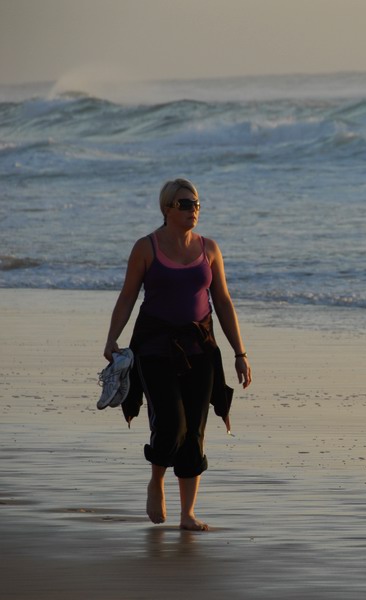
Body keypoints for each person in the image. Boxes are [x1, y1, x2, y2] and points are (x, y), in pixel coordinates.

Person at [103, 178, 252, 531]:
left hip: (200, 350)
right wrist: (111, 339)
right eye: (185, 204)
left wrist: (240, 352)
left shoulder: (210, 249)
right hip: (154, 349)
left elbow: (224, 302)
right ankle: (156, 481)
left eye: (197, 203)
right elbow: (127, 297)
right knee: (171, 425)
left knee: (195, 432)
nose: (193, 210)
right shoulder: (146, 248)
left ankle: (187, 514)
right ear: (167, 208)